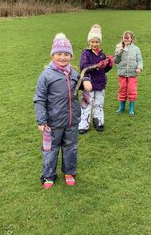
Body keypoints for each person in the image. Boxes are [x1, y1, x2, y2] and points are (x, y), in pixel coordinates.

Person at [34, 33, 92, 189]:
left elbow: (81, 81)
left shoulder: (73, 73)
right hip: (53, 122)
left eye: (66, 54)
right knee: (51, 149)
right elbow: (39, 98)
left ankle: (69, 172)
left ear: (71, 56)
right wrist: (41, 120)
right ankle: (48, 175)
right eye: (59, 54)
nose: (62, 57)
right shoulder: (46, 75)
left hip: (72, 120)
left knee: (70, 147)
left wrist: (86, 82)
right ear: (53, 55)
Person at [78, 24, 113, 134]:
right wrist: (97, 65)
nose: (94, 44)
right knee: (86, 103)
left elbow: (103, 70)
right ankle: (84, 124)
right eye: (92, 41)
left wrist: (109, 64)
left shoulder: (102, 54)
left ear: (100, 42)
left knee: (99, 104)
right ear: (89, 41)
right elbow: (84, 66)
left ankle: (98, 121)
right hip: (89, 84)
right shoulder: (85, 53)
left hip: (100, 84)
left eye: (97, 42)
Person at [114, 31, 143, 115]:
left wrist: (139, 67)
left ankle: (131, 108)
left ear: (131, 39)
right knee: (122, 89)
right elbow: (115, 61)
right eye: (124, 38)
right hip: (122, 73)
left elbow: (140, 60)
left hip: (132, 74)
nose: (126, 39)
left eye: (128, 38)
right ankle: (121, 107)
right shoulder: (118, 48)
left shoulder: (136, 49)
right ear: (122, 39)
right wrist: (119, 53)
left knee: (132, 90)